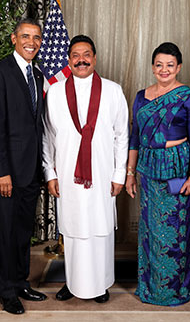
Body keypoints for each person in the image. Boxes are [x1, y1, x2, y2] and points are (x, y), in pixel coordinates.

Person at [42, 35, 129, 303]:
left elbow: (122, 135)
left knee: (98, 229)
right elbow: (47, 136)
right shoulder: (55, 92)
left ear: (94, 58)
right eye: (76, 55)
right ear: (69, 60)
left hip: (102, 174)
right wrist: (50, 173)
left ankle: (101, 284)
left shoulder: (113, 90)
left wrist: (119, 174)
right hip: (67, 174)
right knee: (74, 228)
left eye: (86, 54)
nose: (81, 60)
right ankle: (72, 282)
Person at [126, 42, 190, 306]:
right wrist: (130, 173)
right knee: (150, 230)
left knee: (176, 230)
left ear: (178, 67)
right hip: (148, 169)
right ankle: (149, 288)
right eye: (159, 65)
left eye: (170, 65)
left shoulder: (187, 97)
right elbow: (134, 138)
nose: (164, 70)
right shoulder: (140, 97)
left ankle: (174, 290)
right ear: (152, 67)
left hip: (178, 168)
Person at [0, 18, 47, 315]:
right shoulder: (0, 72)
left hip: (31, 170)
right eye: (25, 36)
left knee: (22, 232)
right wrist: (0, 171)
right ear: (14, 39)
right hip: (7, 172)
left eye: (36, 37)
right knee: (5, 233)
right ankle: (7, 292)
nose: (31, 42)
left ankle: (20, 282)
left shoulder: (36, 74)